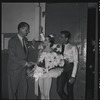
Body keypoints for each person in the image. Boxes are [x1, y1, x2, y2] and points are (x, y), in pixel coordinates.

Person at [7, 22, 35, 99]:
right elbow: (12, 56)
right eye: (26, 30)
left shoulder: (25, 39)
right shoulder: (12, 41)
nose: (28, 31)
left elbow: (24, 52)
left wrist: (32, 46)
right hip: (14, 70)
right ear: (21, 29)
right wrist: (26, 63)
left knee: (23, 90)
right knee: (12, 92)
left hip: (23, 70)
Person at [57, 30, 78, 100]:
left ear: (66, 38)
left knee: (70, 90)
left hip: (70, 69)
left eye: (62, 37)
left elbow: (76, 62)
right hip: (61, 69)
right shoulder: (58, 46)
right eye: (60, 37)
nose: (60, 38)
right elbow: (47, 43)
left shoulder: (73, 47)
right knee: (59, 90)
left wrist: (73, 76)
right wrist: (41, 34)